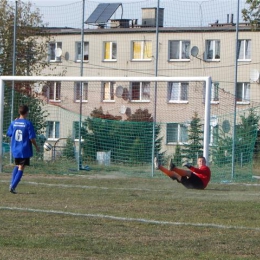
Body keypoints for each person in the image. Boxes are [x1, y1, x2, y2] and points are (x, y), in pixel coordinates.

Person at [7, 105, 40, 194]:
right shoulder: (28, 123)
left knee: (17, 165)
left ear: (19, 112)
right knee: (21, 167)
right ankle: (13, 186)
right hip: (24, 149)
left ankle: (12, 185)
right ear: (26, 112)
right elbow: (32, 138)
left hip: (15, 148)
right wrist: (36, 146)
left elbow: (9, 134)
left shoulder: (13, 122)